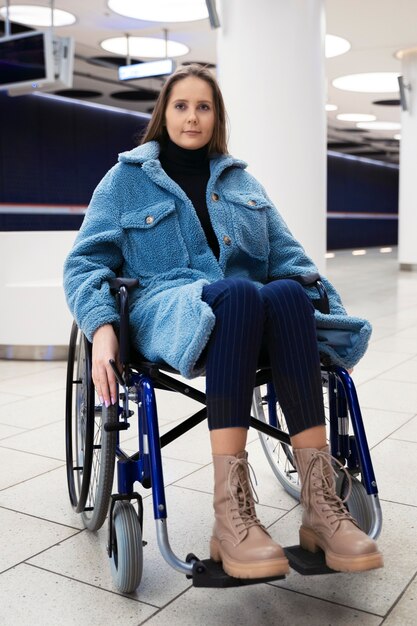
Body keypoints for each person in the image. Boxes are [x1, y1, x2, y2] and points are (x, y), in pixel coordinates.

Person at [64, 64, 383, 580]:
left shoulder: (240, 181)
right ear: (163, 114)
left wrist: (324, 312)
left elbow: (291, 258)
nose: (193, 117)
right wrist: (101, 327)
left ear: (217, 117)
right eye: (182, 106)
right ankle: (231, 518)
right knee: (239, 292)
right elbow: (85, 264)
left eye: (204, 107)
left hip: (248, 313)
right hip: (168, 311)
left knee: (284, 292)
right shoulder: (125, 181)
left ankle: (321, 508)